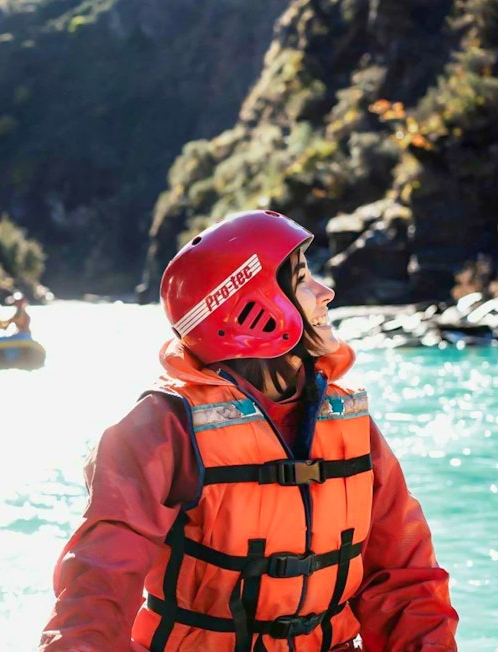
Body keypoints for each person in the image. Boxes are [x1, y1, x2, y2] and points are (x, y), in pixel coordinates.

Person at [40, 210, 457, 651]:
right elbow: (95, 591)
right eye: (302, 280)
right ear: (252, 306)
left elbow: (405, 582)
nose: (325, 292)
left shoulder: (349, 420)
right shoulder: (160, 429)